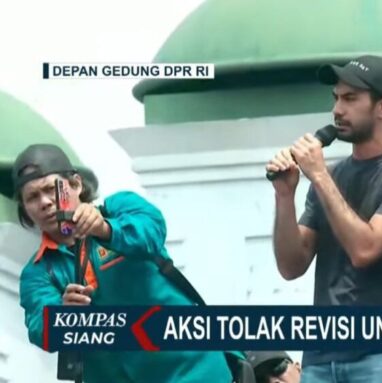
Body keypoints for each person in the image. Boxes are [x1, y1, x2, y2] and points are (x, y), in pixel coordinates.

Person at [266, 55, 382, 383]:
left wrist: (317, 174)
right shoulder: (331, 177)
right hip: (320, 357)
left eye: (350, 99)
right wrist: (284, 196)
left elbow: (365, 249)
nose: (337, 110)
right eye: (335, 98)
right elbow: (291, 265)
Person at [15, 144, 232, 382]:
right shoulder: (38, 271)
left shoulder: (120, 207)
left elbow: (151, 233)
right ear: (25, 208)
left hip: (194, 370)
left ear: (76, 184)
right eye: (32, 197)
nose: (45, 202)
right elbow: (40, 329)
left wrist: (106, 229)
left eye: (50, 189)